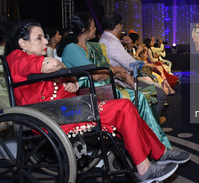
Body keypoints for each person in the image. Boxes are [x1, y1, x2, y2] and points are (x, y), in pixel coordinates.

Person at [5, 20, 190, 183]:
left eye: (44, 37)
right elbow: (52, 66)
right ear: (23, 43)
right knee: (123, 107)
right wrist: (64, 70)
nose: (46, 41)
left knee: (126, 106)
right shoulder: (17, 58)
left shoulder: (29, 58)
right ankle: (144, 168)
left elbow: (51, 79)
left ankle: (159, 152)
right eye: (39, 38)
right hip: (58, 114)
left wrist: (70, 81)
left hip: (65, 109)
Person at [58, 12, 171, 148]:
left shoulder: (92, 47)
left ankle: (149, 138)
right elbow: (95, 75)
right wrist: (118, 70)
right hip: (88, 95)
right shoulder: (72, 49)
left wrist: (122, 73)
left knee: (143, 96)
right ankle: (153, 143)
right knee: (140, 97)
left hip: (102, 88)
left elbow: (107, 68)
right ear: (84, 30)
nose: (95, 29)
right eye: (93, 26)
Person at [98, 12, 168, 115]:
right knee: (160, 94)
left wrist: (130, 46)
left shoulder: (105, 39)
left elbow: (129, 62)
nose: (122, 28)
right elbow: (132, 66)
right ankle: (151, 126)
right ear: (117, 26)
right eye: (122, 25)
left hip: (120, 79)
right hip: (120, 82)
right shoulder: (112, 43)